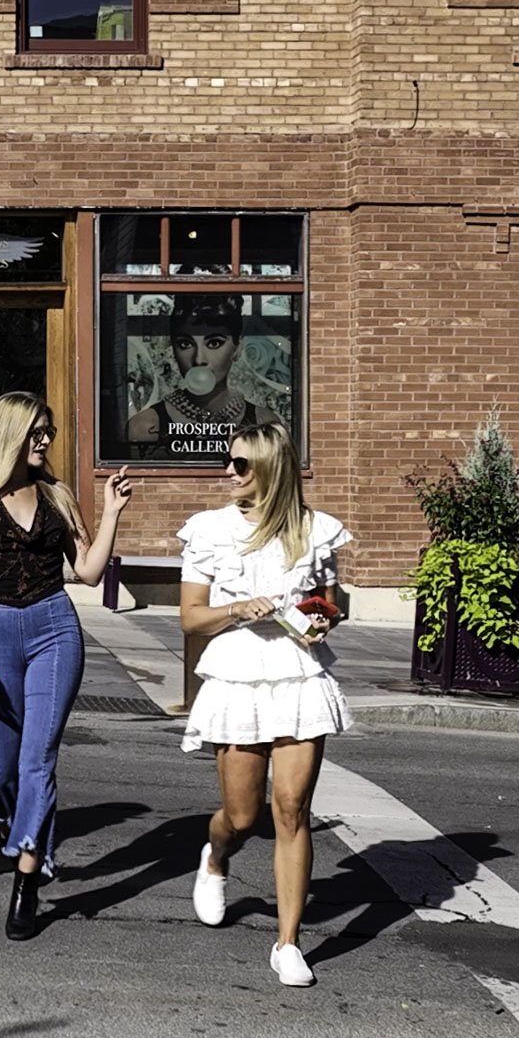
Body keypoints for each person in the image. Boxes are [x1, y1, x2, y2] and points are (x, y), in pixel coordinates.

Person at [0, 390, 133, 941]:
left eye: (47, 431)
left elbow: (91, 573)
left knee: (38, 758)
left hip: (55, 628)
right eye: (36, 431)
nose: (45, 440)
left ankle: (27, 877)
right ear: (10, 433)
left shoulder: (58, 495)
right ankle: (18, 826)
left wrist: (112, 512)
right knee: (3, 771)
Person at [177, 420, 351, 987]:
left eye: (241, 464)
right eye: (228, 462)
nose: (227, 471)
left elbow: (334, 600)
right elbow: (190, 618)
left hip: (298, 673)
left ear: (270, 470)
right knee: (244, 816)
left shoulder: (313, 530)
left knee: (292, 809)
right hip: (236, 673)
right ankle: (216, 856)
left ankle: (287, 943)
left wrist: (326, 616)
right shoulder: (209, 530)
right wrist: (239, 608)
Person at [126, 295, 264, 460]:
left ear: (238, 348)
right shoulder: (144, 426)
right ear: (173, 348)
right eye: (185, 344)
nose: (199, 360)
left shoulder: (264, 423)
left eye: (214, 343)